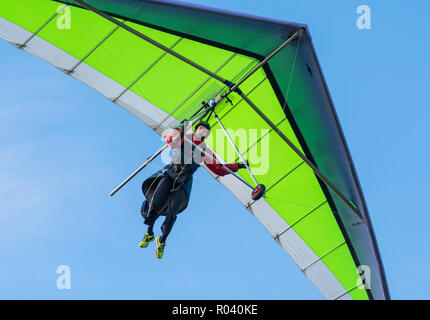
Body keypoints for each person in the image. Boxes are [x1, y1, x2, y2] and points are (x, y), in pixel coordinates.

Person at [139, 120, 248, 258]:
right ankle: (149, 232)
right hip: (170, 174)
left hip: (183, 182)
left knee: (172, 214)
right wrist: (182, 128)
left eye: (206, 131)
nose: (203, 131)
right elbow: (170, 141)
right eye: (201, 128)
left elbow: (218, 169)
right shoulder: (184, 138)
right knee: (155, 202)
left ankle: (162, 240)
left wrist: (238, 165)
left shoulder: (204, 150)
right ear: (196, 129)